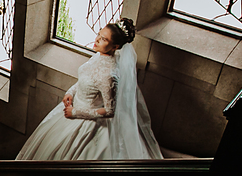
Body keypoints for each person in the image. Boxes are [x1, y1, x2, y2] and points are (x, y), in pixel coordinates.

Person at [15, 17, 163, 161]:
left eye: (103, 39)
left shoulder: (110, 76)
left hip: (85, 120)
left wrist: (75, 112)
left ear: (115, 47)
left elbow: (110, 111)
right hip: (72, 107)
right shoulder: (99, 56)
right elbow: (85, 78)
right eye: (99, 34)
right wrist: (70, 92)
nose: (97, 39)